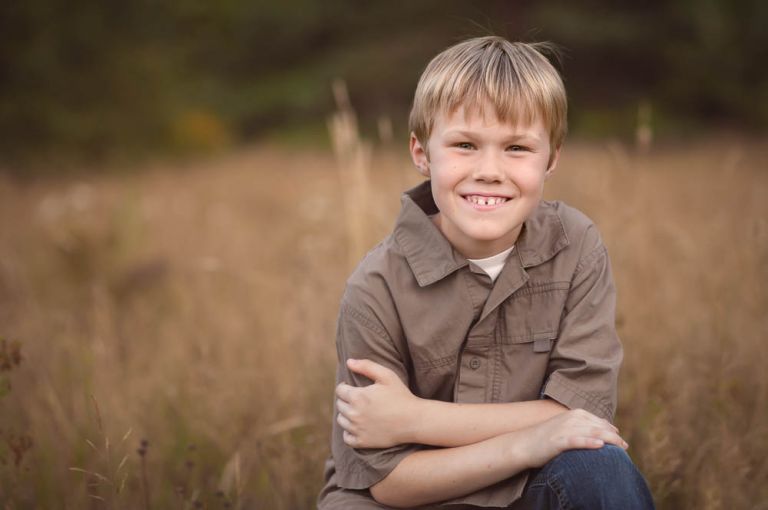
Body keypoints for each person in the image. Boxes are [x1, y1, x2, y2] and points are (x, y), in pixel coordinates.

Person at [317, 36, 655, 509]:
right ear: (421, 152)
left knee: (598, 463)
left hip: (525, 489)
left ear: (551, 159)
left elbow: (582, 413)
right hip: (408, 500)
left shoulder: (576, 246)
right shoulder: (375, 287)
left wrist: (415, 418)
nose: (490, 170)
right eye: (465, 145)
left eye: (517, 147)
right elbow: (387, 481)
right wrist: (531, 437)